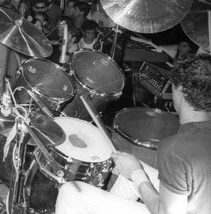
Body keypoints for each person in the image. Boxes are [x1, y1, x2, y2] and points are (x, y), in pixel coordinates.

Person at [55, 55, 211, 214]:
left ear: (181, 91)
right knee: (130, 171)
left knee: (69, 193)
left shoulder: (175, 148)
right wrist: (134, 171)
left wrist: (136, 174)